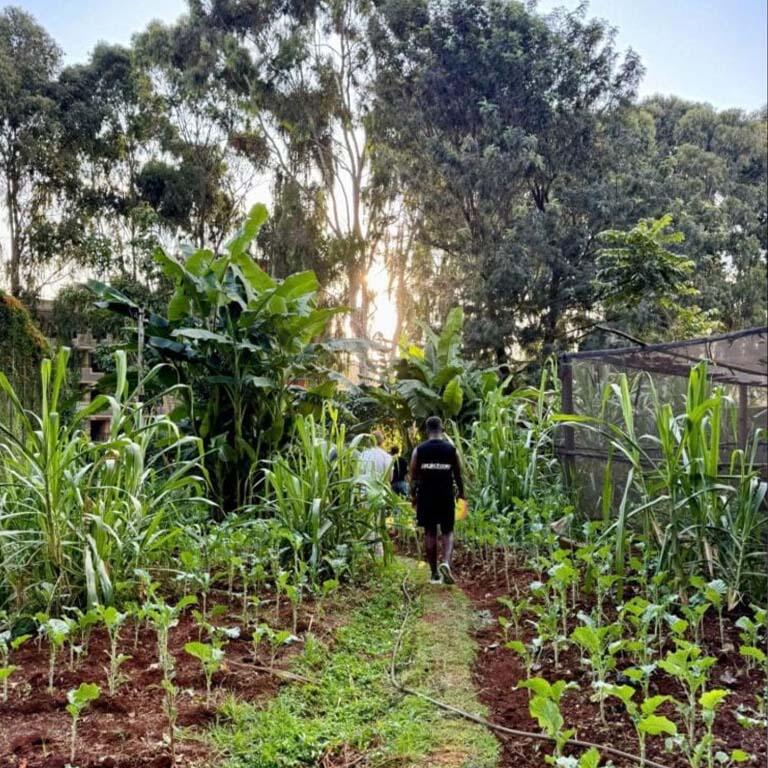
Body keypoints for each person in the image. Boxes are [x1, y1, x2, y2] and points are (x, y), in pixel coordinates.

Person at [410, 415, 464, 585]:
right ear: (442, 430)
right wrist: (461, 494)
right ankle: (446, 563)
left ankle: (434, 574)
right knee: (448, 531)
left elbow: (413, 476)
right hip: (446, 495)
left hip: (426, 496)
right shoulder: (451, 449)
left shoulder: (419, 450)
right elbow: (458, 474)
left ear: (427, 431)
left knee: (430, 532)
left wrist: (413, 497)